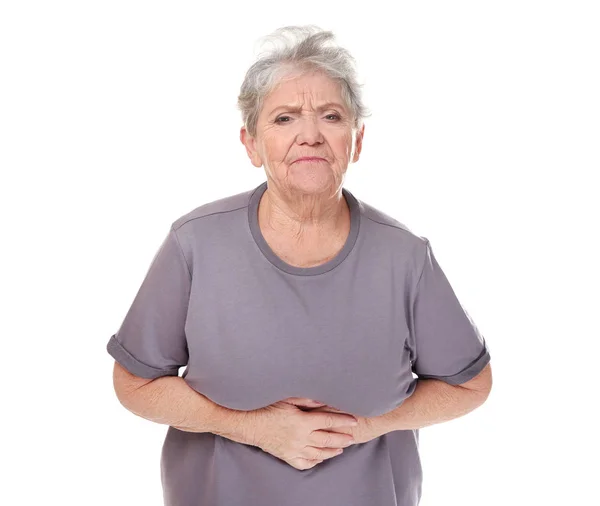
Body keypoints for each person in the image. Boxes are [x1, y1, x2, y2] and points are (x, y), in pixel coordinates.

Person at [106, 25, 492, 506]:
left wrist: (361, 429)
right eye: (285, 118)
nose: (309, 135)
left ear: (356, 140)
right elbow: (135, 381)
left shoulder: (405, 256)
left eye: (331, 116)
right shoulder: (195, 243)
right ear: (250, 143)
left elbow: (471, 384)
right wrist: (252, 428)